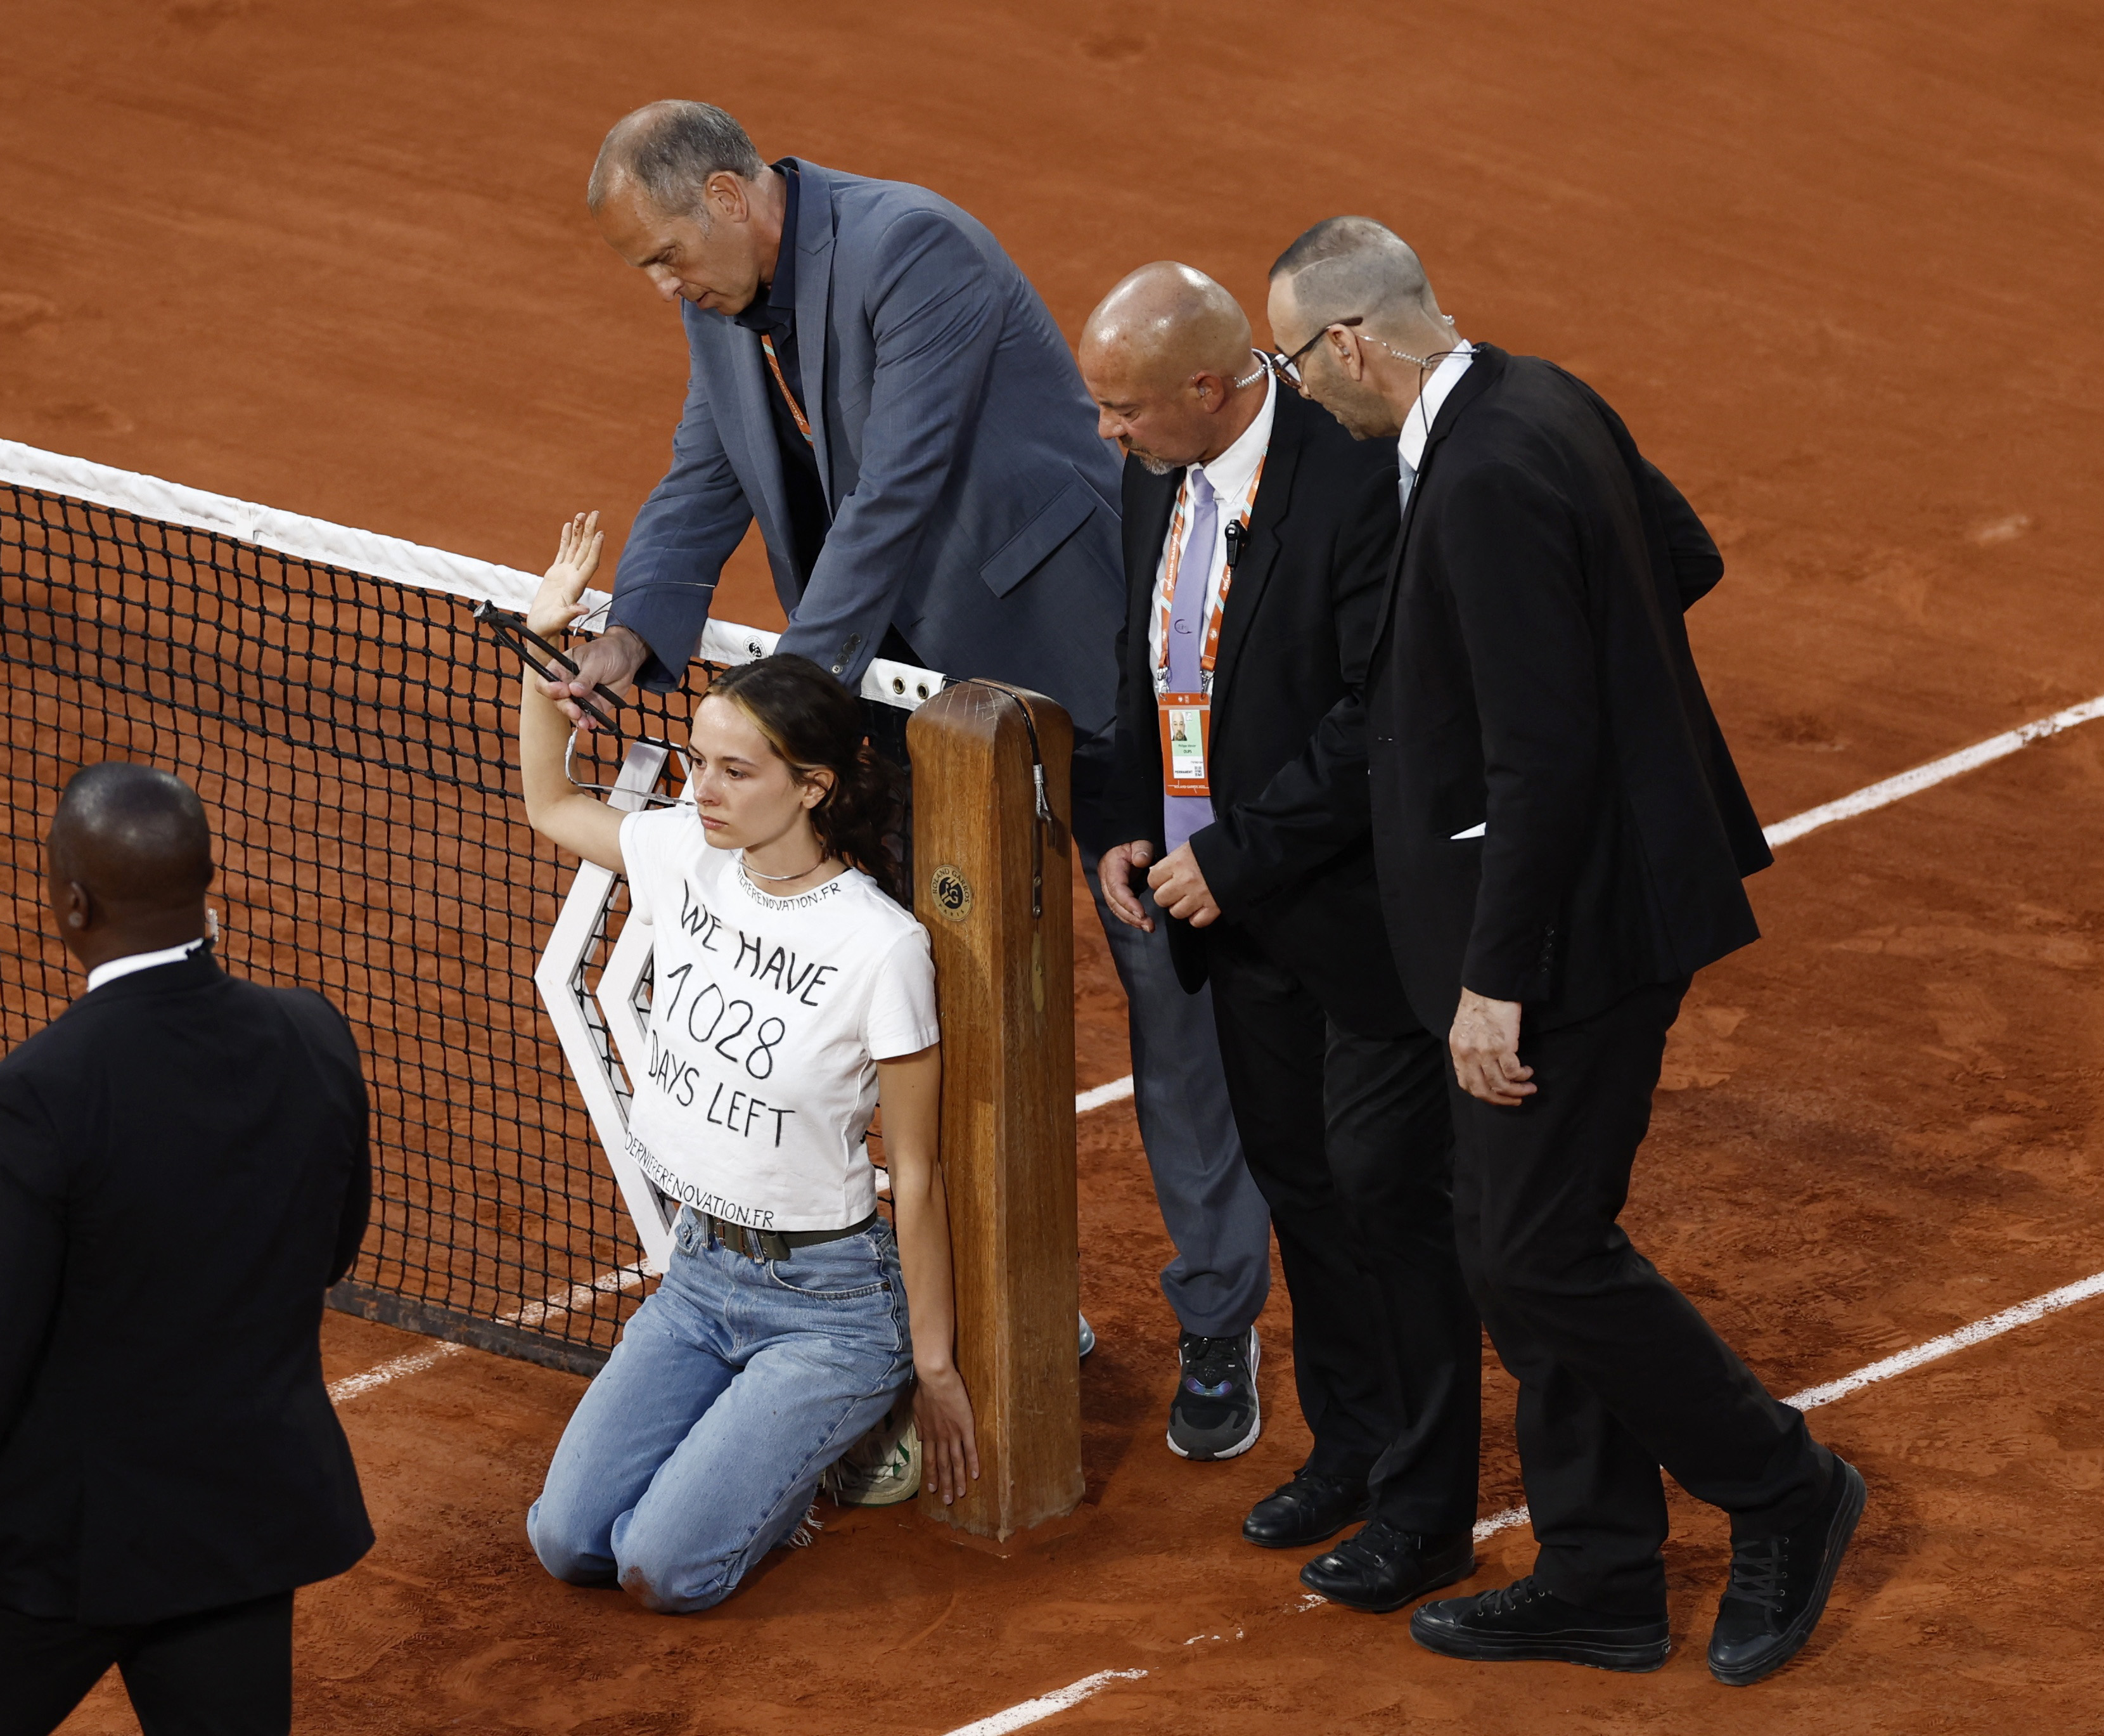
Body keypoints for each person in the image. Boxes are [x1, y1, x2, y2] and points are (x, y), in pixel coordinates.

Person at [1263, 217, 1864, 1683]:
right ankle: (1599, 1573)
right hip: (1586, 899)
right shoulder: (1542, 395)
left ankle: (1783, 1482)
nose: (1293, 391)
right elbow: (1680, 555)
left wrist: (1497, 975)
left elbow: (1539, 754)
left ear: (1347, 344)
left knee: (1533, 1252)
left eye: (1290, 361)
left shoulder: (1478, 475)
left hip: (1567, 939)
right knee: (1510, 1236)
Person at [1080, 264, 1481, 1607]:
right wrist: (1131, 818)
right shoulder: (1158, 469)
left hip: (1356, 921)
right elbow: (1150, 666)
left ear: (1207, 387)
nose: (1107, 437)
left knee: (1388, 1203)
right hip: (1230, 917)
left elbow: (1374, 717)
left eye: (1124, 408)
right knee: (1305, 1194)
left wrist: (1234, 857)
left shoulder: (1354, 475)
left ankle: (1428, 1499)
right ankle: (1350, 1446)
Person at [0, 763, 375, 1733]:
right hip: (235, 1528)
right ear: (207, 881)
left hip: (55, 1550)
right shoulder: (313, 1033)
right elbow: (330, 1250)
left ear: (72, 904)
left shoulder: (33, 1094)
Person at [520, 512, 980, 1612]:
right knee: (567, 1539)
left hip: (829, 1304)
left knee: (662, 1568)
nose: (703, 788)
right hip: (698, 1277)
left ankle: (832, 1434)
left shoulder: (881, 946)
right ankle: (755, 1448)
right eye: (696, 762)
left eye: (735, 770)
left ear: (813, 784)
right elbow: (549, 803)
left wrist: (937, 1365)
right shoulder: (685, 849)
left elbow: (913, 1172)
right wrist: (545, 654)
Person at [555, 100, 1124, 839]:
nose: (664, 287)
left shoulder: (910, 248)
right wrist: (629, 635)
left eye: (666, 256)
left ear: (726, 198)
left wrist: (790, 693)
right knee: (932, 919)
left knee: (1151, 905)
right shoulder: (716, 307)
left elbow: (893, 489)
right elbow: (702, 476)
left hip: (1051, 632)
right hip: (894, 669)